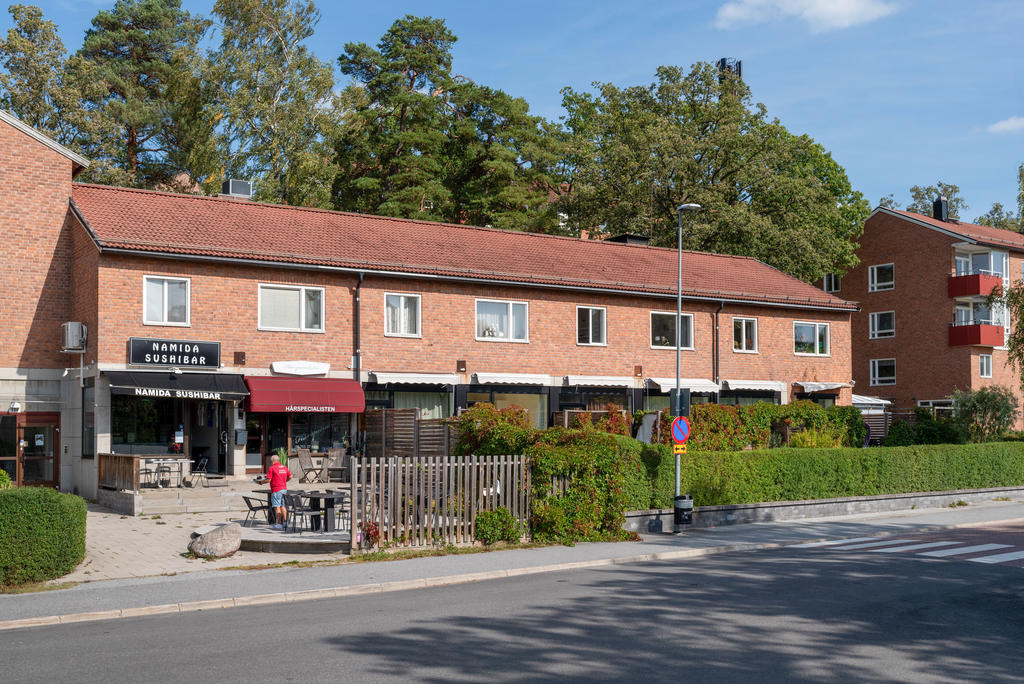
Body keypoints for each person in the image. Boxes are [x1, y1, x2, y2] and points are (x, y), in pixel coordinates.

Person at [266, 454, 292, 529]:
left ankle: (279, 524)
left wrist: (260, 482)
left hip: (276, 489)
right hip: (284, 489)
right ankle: (285, 522)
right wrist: (284, 481)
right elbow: (290, 476)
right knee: (283, 506)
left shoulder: (272, 468)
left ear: (272, 461)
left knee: (277, 507)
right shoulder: (284, 467)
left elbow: (268, 480)